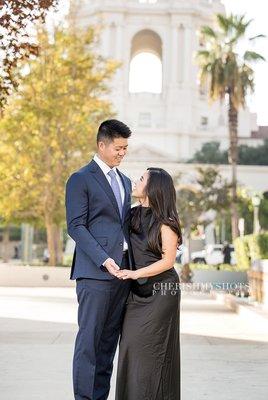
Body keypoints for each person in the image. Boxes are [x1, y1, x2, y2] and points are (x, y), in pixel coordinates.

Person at [65, 119, 133, 400]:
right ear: (101, 144)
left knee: (107, 346)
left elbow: (126, 226)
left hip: (123, 276)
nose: (122, 153)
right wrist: (104, 259)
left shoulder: (126, 181)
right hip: (94, 274)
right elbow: (76, 226)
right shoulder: (80, 179)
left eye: (125, 148)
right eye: (118, 148)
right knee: (89, 345)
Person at [115, 167, 182, 400]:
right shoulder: (131, 215)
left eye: (142, 178)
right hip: (136, 292)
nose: (136, 180)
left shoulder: (167, 222)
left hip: (162, 293)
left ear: (153, 188)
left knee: (155, 355)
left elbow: (168, 261)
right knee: (130, 348)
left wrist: (135, 273)